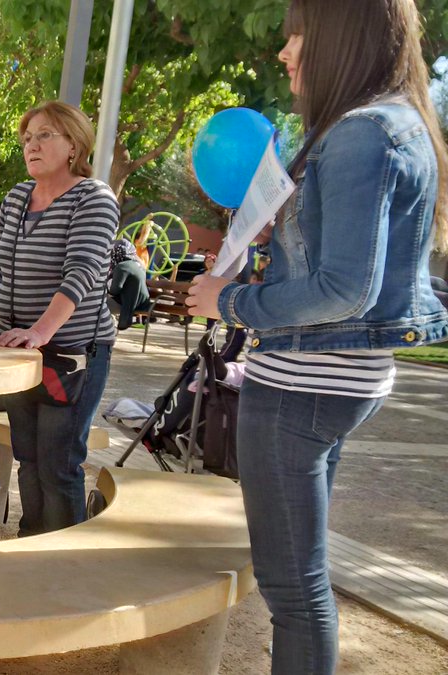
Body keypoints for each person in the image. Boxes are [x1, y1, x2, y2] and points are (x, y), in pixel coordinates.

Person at [186, 1, 448, 671]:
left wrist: (232, 300)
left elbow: (343, 290)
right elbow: (349, 269)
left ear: (339, 35)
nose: (285, 53)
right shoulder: (397, 122)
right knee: (302, 580)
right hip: (337, 381)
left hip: (301, 385)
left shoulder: (360, 133)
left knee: (294, 591)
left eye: (296, 34)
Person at [0, 100, 119, 536]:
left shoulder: (93, 198)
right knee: (27, 458)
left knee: (58, 463)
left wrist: (41, 331)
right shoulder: (16, 199)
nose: (32, 144)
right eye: (27, 137)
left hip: (69, 359)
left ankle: (63, 565)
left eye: (45, 134)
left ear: (74, 144)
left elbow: (83, 272)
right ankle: (30, 545)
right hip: (18, 357)